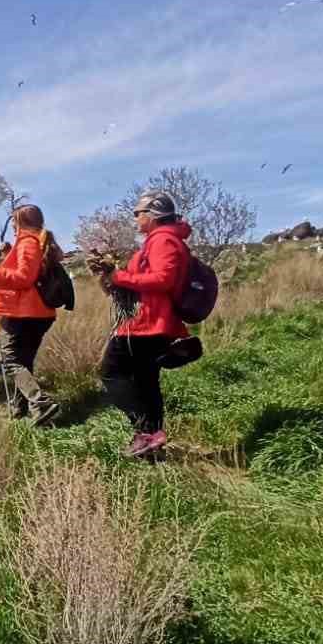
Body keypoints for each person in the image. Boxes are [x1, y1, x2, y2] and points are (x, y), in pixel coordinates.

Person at [90, 190, 192, 461]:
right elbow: (142, 278)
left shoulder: (163, 240)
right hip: (152, 322)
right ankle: (149, 442)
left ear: (153, 214)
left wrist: (120, 276)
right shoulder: (158, 240)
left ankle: (146, 431)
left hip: (147, 324)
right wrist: (109, 272)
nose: (135, 218)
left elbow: (162, 280)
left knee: (110, 374)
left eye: (138, 213)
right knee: (147, 384)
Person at [0, 204, 63, 426]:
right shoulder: (39, 242)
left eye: (14, 221)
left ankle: (41, 403)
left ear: (22, 221)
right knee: (23, 361)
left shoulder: (28, 242)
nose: (13, 226)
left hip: (23, 311)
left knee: (10, 359)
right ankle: (21, 408)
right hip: (39, 313)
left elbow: (24, 278)